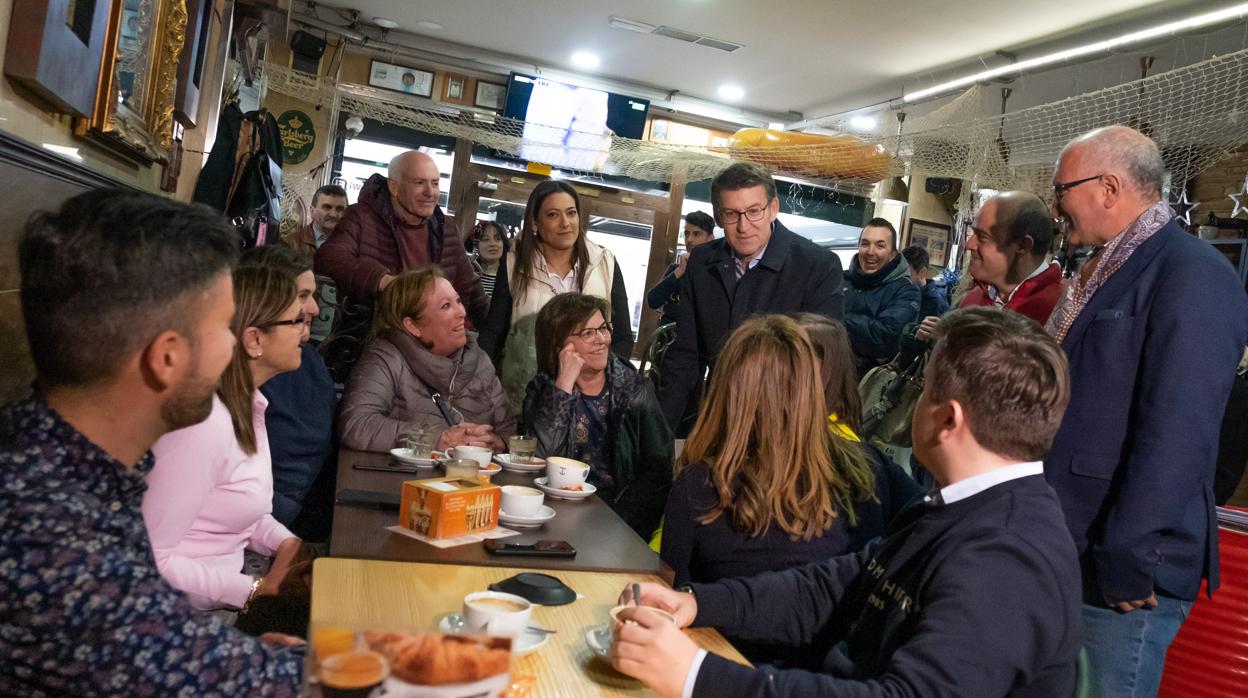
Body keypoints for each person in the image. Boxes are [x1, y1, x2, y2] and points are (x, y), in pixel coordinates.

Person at [612, 308, 1082, 698]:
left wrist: (697, 675)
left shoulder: (1006, 558)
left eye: (923, 391)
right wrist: (695, 603)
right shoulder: (955, 509)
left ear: (947, 419)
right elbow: (838, 585)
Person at [0, 190, 302, 694]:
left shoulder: (53, 448)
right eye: (222, 329)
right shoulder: (49, 541)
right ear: (166, 358)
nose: (233, 345)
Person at [1043, 125, 1248, 697]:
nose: (1056, 208)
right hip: (1073, 546)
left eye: (1061, 191)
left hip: (1122, 569)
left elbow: (1178, 434)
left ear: (1108, 187)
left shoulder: (1194, 274)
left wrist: (1130, 554)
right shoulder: (1104, 268)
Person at [661, 316, 920, 661]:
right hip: (847, 673)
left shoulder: (702, 484)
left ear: (726, 392)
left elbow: (670, 594)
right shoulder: (871, 466)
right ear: (813, 388)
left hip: (730, 671)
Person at [144, 265, 311, 636]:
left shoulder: (247, 405)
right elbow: (151, 561)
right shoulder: (203, 425)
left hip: (220, 609)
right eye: (295, 320)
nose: (305, 326)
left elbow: (229, 512)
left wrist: (284, 541)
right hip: (180, 627)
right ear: (254, 340)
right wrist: (254, 590)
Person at [658, 162, 845, 434]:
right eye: (732, 214)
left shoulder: (817, 266)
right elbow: (685, 357)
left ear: (773, 208)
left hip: (786, 426)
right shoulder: (702, 262)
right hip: (718, 419)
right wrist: (658, 437)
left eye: (754, 211)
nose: (744, 226)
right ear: (719, 217)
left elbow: (825, 367)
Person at [522, 293, 671, 538]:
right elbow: (538, 461)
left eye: (603, 329)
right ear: (560, 345)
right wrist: (564, 386)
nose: (601, 340)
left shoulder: (634, 391)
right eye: (587, 333)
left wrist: (617, 526)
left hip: (620, 521)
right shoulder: (542, 391)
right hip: (554, 516)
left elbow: (658, 473)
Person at [478, 180, 634, 411]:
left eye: (571, 213)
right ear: (534, 222)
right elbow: (494, 332)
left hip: (591, 404)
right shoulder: (513, 264)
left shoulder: (605, 262)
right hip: (526, 398)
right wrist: (480, 386)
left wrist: (605, 385)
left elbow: (622, 336)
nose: (565, 223)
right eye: (553, 215)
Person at [340, 267, 515, 453]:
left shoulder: (479, 359)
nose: (461, 312)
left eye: (458, 301)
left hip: (480, 478)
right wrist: (434, 439)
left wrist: (497, 442)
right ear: (413, 326)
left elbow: (508, 429)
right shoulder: (386, 358)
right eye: (446, 306)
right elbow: (356, 424)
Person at [314, 151, 487, 324]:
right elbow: (329, 257)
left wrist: (496, 331)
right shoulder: (361, 216)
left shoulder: (445, 226)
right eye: (419, 183)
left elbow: (470, 287)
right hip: (373, 334)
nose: (430, 192)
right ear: (394, 187)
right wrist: (384, 281)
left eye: (435, 183)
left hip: (433, 340)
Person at [239, 245, 337, 540]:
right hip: (271, 522)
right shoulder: (228, 391)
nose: (315, 309)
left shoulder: (307, 359)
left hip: (310, 512)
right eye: (303, 296)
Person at [843, 218, 920, 377]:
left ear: (893, 254)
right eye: (865, 244)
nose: (871, 252)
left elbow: (885, 338)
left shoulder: (906, 291)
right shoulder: (839, 278)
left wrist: (836, 319)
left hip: (867, 387)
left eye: (880, 245)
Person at [646, 211, 716, 326]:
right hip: (668, 337)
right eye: (687, 233)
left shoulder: (716, 272)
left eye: (696, 234)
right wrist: (679, 272)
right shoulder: (676, 269)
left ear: (710, 239)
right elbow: (652, 301)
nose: (689, 239)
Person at [284, 183, 348, 255]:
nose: (333, 214)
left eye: (340, 209)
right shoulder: (290, 243)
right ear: (312, 211)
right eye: (327, 207)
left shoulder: (355, 245)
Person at [900, 245, 948, 321]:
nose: (900, 279)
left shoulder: (934, 303)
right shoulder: (904, 293)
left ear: (922, 272)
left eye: (906, 274)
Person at [472, 220, 508, 300]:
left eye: (497, 239)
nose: (492, 244)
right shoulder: (469, 276)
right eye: (485, 239)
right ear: (476, 245)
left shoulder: (510, 279)